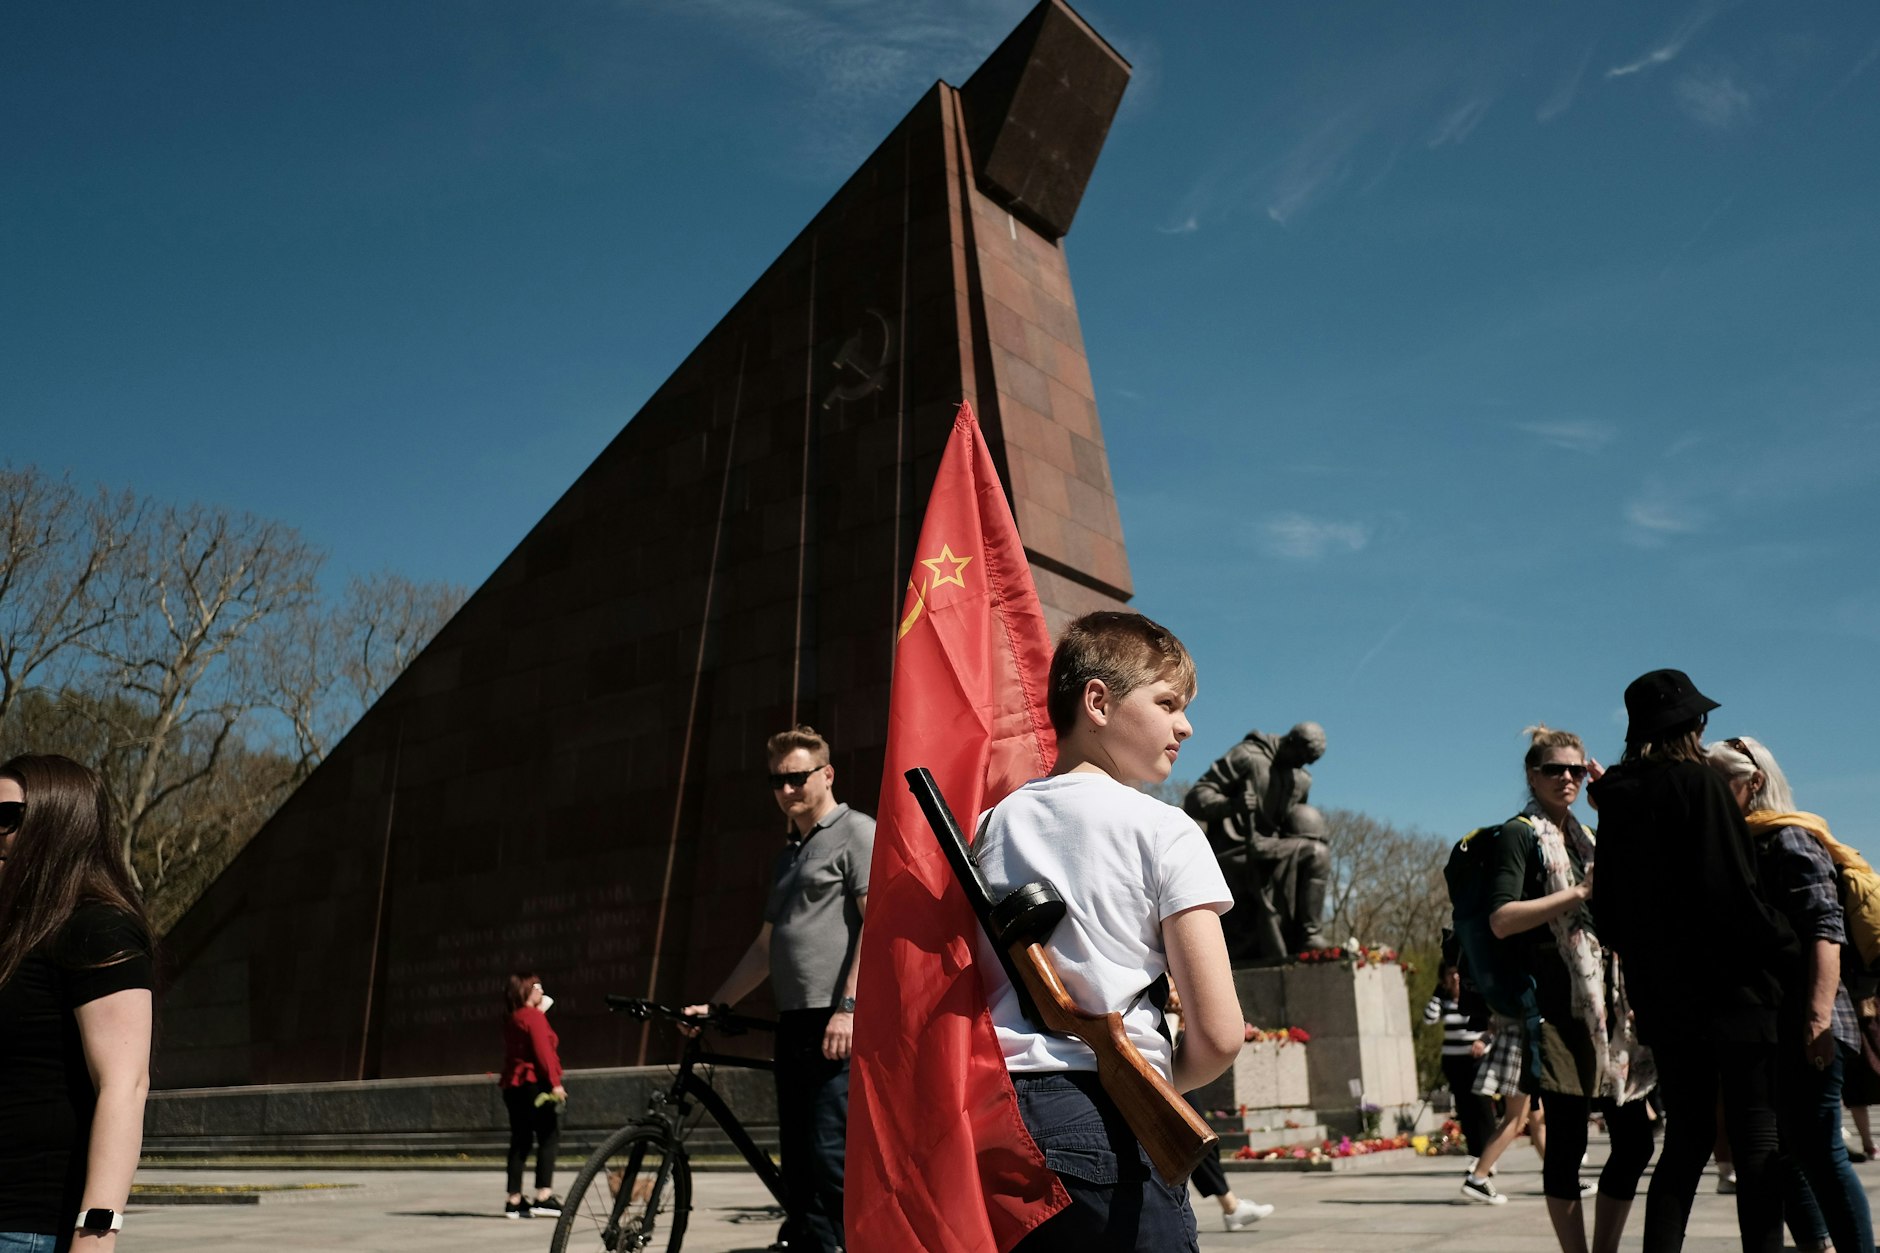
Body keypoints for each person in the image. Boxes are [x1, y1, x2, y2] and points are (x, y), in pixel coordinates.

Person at [974, 611, 1242, 1252]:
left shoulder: (989, 825)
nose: (1186, 725)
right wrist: (1158, 1085)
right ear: (1098, 701)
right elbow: (1221, 1032)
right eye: (1168, 702)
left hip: (998, 1117)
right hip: (1112, 1123)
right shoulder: (1163, 829)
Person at [1590, 670, 1796, 1253]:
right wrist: (1789, 946)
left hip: (1665, 998)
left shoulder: (1619, 802)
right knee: (1757, 1135)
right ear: (1694, 724)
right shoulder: (1698, 786)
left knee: (1686, 1141)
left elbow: (1607, 913)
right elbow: (1735, 893)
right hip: (1736, 991)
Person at [685, 725, 872, 1253]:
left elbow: (875, 923)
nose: (787, 790)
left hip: (836, 1023)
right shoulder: (789, 856)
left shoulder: (856, 832)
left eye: (797, 777)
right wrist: (716, 1004)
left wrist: (850, 1008)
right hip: (793, 1022)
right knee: (797, 1154)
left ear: (827, 774)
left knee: (830, 1154)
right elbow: (766, 948)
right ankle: (810, 1242)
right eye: (777, 780)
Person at [1470, 726, 1658, 1251]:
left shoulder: (1587, 835)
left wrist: (1613, 804)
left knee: (1636, 1141)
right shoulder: (1520, 833)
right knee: (1568, 1143)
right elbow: (1502, 919)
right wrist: (1578, 891)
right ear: (1533, 775)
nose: (1567, 778)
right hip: (1554, 1007)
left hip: (1606, 1010)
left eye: (1576, 769)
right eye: (1555, 769)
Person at [1706, 734, 1873, 1253]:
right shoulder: (1748, 842)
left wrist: (1818, 1021)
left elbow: (1827, 931)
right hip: (1782, 1024)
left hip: (1814, 1023)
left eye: (1718, 784)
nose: (1709, 795)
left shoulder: (1789, 839)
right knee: (1790, 1154)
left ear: (1752, 782)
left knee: (1821, 1152)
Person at [0, 754, 153, 1253]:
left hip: (28, 1231)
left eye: (6, 819)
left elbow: (124, 1086)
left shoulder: (96, 928)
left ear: (59, 822)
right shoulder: (16, 938)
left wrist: (96, 1234)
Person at [1183, 723, 1330, 960]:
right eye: (1300, 758)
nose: (1300, 766)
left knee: (1317, 853)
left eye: (1306, 762)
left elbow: (1291, 823)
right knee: (1314, 852)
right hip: (1235, 852)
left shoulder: (1301, 779)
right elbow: (1195, 799)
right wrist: (1232, 805)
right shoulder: (1247, 756)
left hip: (1272, 848)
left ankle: (1308, 936)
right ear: (1290, 741)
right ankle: (1304, 935)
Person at [1165, 989, 1273, 1232]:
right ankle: (1231, 1207)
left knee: (1198, 1136)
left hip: (1166, 1058)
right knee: (1197, 1136)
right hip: (1161, 1061)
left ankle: (1231, 1206)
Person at [500, 971, 565, 1219]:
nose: (542, 991)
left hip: (513, 1085)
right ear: (528, 992)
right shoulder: (534, 1018)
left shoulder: (513, 1018)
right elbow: (543, 1053)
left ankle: (513, 1200)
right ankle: (543, 1196)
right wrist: (556, 1084)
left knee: (520, 1140)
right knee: (549, 1136)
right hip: (534, 1085)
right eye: (538, 986)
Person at [1425, 962, 1494, 1166]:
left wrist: (1483, 1042)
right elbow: (1429, 1018)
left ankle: (1489, 1154)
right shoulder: (1444, 1003)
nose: (1454, 978)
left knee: (1482, 1106)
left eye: (1457, 973)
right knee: (1465, 1108)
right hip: (1454, 1061)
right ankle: (1475, 1155)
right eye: (1449, 975)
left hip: (1478, 1058)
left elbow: (1494, 1025)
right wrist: (1438, 992)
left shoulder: (1476, 998)